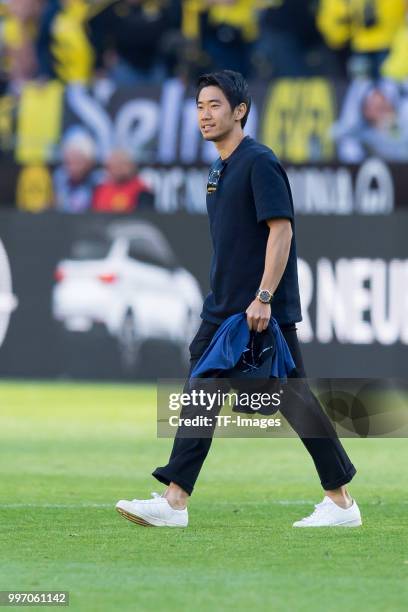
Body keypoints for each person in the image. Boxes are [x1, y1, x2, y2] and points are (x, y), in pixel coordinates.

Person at [116, 70, 362, 529]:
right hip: (225, 306)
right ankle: (176, 499)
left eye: (214, 105)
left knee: (290, 399)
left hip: (255, 309)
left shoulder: (258, 162)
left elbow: (281, 229)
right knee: (209, 386)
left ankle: (340, 502)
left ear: (239, 111)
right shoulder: (219, 168)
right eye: (199, 106)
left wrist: (264, 297)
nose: (205, 115)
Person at [53, 129, 101, 213]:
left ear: (89, 163)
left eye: (78, 162)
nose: (73, 167)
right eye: (69, 162)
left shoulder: (98, 183)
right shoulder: (58, 181)